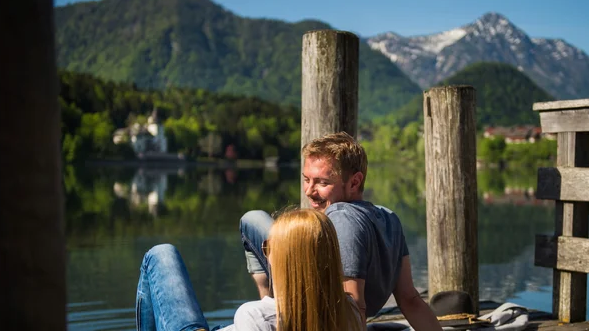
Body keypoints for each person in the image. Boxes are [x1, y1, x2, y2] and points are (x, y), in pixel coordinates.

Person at [240, 132, 441, 330]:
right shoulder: (390, 218)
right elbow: (410, 299)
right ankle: (273, 306)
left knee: (251, 219)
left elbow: (354, 305)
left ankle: (274, 311)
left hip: (319, 312)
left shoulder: (342, 216)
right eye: (307, 179)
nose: (309, 191)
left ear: (354, 182)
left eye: (322, 182)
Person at [136, 209, 363, 331]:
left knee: (160, 255)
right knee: (252, 219)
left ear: (285, 262)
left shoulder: (255, 316)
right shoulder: (348, 310)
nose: (264, 251)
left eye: (268, 247)